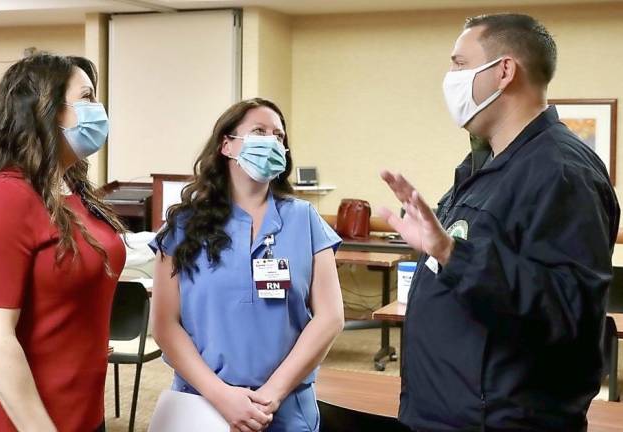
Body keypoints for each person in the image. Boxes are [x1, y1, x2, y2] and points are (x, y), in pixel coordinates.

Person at [378, 13, 620, 431]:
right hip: (443, 413)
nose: (449, 78)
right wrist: (439, 249)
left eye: (458, 64)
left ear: (504, 71)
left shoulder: (562, 172)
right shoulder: (487, 166)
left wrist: (452, 253)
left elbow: (565, 312)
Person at [0, 53, 126, 432]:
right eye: (88, 97)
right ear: (47, 109)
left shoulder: (71, 189)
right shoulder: (5, 196)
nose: (99, 109)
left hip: (83, 410)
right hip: (27, 420)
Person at [150, 98, 344, 432]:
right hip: (202, 406)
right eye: (259, 131)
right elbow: (166, 326)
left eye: (279, 136)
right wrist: (222, 396)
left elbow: (330, 317)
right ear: (226, 145)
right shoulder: (184, 226)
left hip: (284, 407)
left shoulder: (304, 219)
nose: (272, 141)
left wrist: (272, 394)